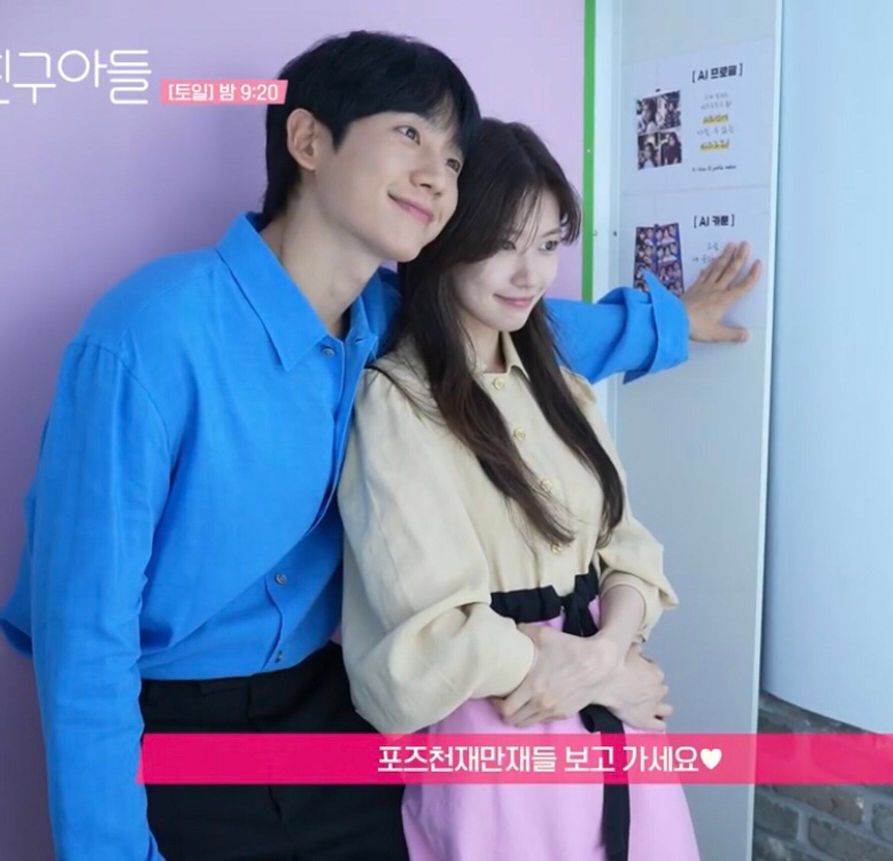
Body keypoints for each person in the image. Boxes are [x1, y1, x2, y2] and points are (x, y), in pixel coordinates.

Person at [0, 30, 760, 861]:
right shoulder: (149, 337)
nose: (438, 175)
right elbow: (84, 638)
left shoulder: (391, 318)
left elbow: (531, 329)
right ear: (307, 140)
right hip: (175, 720)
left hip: (333, 710)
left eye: (454, 158)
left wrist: (669, 322)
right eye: (409, 134)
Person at [337, 119, 714, 860]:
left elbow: (629, 548)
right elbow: (430, 627)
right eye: (503, 244)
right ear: (446, 239)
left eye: (546, 245)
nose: (530, 274)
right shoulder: (397, 402)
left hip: (619, 728)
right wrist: (600, 675)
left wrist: (608, 657)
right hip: (502, 734)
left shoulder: (563, 388)